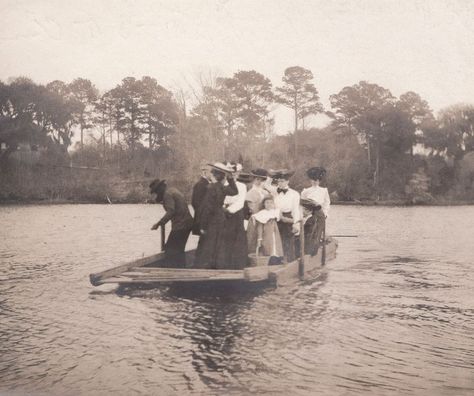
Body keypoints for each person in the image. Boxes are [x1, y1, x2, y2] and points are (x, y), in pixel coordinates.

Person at [194, 162, 238, 269]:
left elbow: (207, 209)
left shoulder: (210, 188)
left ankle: (207, 268)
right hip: (221, 218)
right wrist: (231, 179)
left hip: (212, 220)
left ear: (213, 175)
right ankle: (217, 266)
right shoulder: (222, 187)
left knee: (209, 245)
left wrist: (203, 226)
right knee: (219, 244)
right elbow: (235, 191)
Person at [150, 179, 193, 267]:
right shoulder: (173, 190)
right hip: (187, 224)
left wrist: (159, 223)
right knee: (178, 249)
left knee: (171, 250)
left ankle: (176, 270)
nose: (156, 195)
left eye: (156, 192)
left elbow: (170, 211)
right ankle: (181, 269)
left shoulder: (167, 195)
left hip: (181, 225)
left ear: (161, 189)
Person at [267, 169, 301, 262]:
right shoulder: (274, 191)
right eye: (278, 181)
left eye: (282, 181)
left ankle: (289, 261)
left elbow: (295, 210)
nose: (280, 183)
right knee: (276, 240)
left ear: (287, 181)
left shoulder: (294, 194)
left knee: (288, 241)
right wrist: (271, 175)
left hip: (287, 218)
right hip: (275, 217)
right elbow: (265, 185)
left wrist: (296, 224)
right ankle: (276, 261)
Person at [221, 162, 248, 269]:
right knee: (224, 239)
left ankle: (238, 266)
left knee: (237, 240)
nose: (232, 175)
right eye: (230, 173)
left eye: (235, 173)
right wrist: (222, 208)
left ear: (238, 173)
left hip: (235, 215)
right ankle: (224, 265)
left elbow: (240, 202)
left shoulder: (242, 186)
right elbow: (220, 199)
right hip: (223, 214)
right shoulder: (223, 185)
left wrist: (228, 211)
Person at [301, 167, 330, 254]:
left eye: (316, 180)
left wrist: (325, 213)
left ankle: (313, 250)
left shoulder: (324, 191)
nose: (314, 182)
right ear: (310, 180)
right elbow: (302, 203)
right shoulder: (305, 191)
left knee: (317, 231)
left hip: (319, 213)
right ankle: (306, 250)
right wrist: (304, 214)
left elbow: (327, 203)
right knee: (308, 231)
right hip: (308, 213)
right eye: (313, 180)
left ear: (319, 181)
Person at [246, 196, 283, 265]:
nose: (269, 204)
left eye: (271, 203)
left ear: (274, 204)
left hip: (274, 233)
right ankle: (268, 262)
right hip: (266, 233)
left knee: (275, 247)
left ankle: (275, 262)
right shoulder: (262, 214)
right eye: (267, 203)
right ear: (264, 204)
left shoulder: (275, 212)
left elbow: (282, 219)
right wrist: (259, 238)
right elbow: (259, 227)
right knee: (267, 247)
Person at [191, 163, 210, 235]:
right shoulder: (201, 184)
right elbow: (196, 203)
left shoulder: (205, 183)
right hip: (202, 219)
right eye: (211, 172)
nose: (212, 174)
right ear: (205, 173)